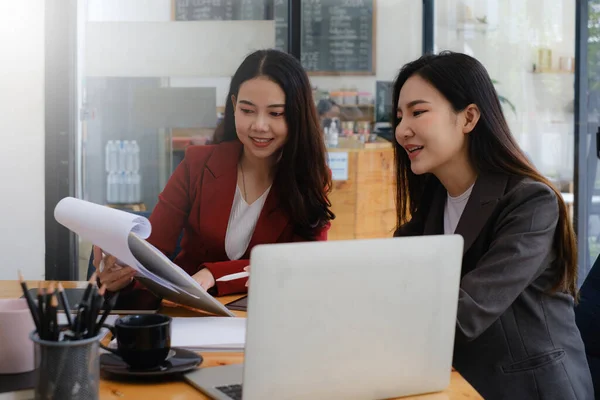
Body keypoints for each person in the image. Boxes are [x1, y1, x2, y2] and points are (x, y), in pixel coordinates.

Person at [392, 51, 593, 399]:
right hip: (462, 385)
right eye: (399, 116)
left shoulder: (530, 203)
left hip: (533, 390)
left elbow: (466, 312)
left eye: (418, 112)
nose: (401, 130)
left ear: (469, 117)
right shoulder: (429, 213)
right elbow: (392, 290)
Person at [93, 49, 335, 296]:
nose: (259, 125)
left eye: (275, 113)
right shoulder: (197, 164)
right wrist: (122, 275)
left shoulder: (310, 179)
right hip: (188, 315)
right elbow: (152, 253)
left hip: (268, 317)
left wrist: (214, 274)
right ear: (233, 106)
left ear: (297, 115)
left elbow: (303, 264)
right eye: (247, 110)